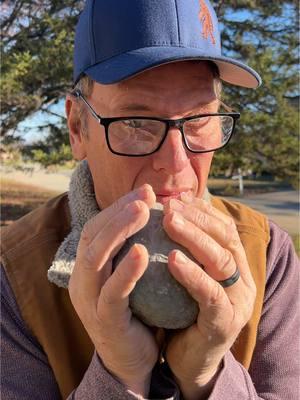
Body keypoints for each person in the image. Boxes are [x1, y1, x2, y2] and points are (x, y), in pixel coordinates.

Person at [1, 0, 299, 399]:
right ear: (77, 128)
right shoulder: (16, 275)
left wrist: (208, 373)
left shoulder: (266, 256)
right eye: (136, 124)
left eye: (198, 120)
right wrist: (120, 373)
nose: (175, 164)